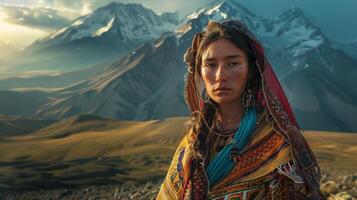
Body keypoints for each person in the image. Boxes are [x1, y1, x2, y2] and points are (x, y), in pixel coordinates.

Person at [156, 20, 323, 199]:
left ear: (251, 70)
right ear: (200, 72)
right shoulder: (193, 142)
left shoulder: (277, 146)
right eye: (211, 65)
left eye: (233, 63)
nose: (220, 76)